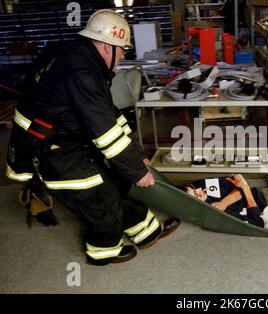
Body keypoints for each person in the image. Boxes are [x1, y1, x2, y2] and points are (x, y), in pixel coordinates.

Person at [5, 9, 179, 266]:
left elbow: (107, 112)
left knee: (118, 179)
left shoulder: (81, 58)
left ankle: (146, 232)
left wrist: (136, 156)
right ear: (107, 46)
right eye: (122, 50)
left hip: (65, 135)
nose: (122, 56)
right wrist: (137, 171)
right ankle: (103, 251)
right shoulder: (81, 73)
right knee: (100, 196)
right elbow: (105, 133)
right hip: (49, 149)